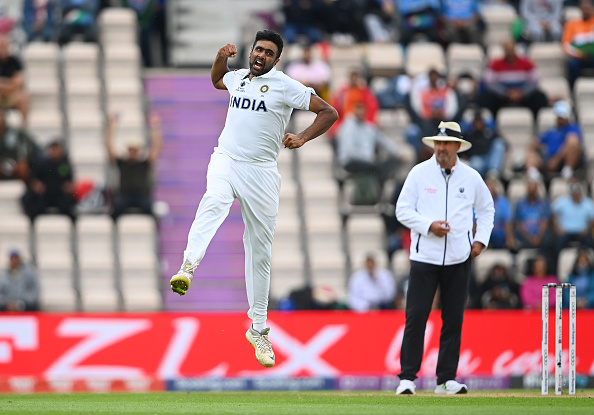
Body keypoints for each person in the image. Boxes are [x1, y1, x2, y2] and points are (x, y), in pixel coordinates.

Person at [169, 30, 338, 368]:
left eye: (268, 52)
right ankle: (188, 267)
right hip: (227, 159)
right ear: (252, 52)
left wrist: (302, 137)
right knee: (214, 200)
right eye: (258, 49)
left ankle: (258, 329)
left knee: (259, 251)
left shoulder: (286, 85)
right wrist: (221, 56)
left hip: (261, 171)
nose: (261, 55)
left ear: (276, 60)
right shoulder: (237, 79)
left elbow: (329, 112)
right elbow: (217, 79)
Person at [395, 121, 494, 395]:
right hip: (424, 257)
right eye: (437, 143)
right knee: (416, 318)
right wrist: (429, 226)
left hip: (459, 259)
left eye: (446, 143)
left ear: (457, 147)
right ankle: (407, 379)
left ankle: (446, 379)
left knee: (453, 320)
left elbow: (487, 210)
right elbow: (402, 211)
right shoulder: (419, 174)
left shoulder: (471, 177)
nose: (440, 148)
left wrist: (480, 241)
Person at [105, 111, 162, 220]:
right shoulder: (122, 162)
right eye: (131, 149)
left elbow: (157, 148)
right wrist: (112, 126)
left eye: (134, 150)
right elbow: (109, 148)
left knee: (152, 214)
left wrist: (155, 128)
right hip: (124, 195)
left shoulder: (144, 163)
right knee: (114, 212)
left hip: (142, 196)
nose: (132, 152)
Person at [477, 38, 548, 119]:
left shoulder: (526, 63)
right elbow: (489, 82)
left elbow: (535, 81)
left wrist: (522, 92)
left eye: (511, 49)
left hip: (523, 95)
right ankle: (493, 124)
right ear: (504, 50)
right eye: (507, 49)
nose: (509, 51)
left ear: (515, 49)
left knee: (539, 97)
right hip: (502, 96)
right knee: (486, 98)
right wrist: (505, 92)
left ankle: (535, 122)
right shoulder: (495, 64)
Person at [335, 101, 400, 188]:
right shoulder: (347, 127)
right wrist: (367, 158)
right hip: (351, 162)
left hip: (367, 162)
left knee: (388, 164)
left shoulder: (368, 128)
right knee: (378, 169)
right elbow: (350, 152)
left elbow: (383, 140)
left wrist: (397, 152)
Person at [526, 100, 584, 181]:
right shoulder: (551, 131)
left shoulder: (573, 128)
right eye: (559, 116)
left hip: (563, 160)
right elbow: (536, 142)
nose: (560, 119)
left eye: (562, 116)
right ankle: (534, 177)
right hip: (549, 159)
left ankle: (567, 170)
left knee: (573, 142)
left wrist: (556, 160)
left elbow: (573, 143)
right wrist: (534, 146)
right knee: (531, 154)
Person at [21, 140, 76, 222]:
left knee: (69, 206)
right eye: (53, 150)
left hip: (60, 195)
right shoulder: (42, 164)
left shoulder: (65, 165)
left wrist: (69, 187)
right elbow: (34, 180)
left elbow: (69, 181)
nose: (55, 152)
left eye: (57, 149)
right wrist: (36, 185)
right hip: (44, 195)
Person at [329, 69, 379, 139]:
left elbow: (371, 108)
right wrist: (336, 126)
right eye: (352, 79)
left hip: (361, 122)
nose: (354, 81)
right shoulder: (341, 93)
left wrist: (370, 123)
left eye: (356, 79)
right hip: (344, 122)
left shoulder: (365, 93)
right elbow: (334, 109)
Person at [459, 110, 506, 178]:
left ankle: (493, 174)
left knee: (499, 143)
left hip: (489, 160)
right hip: (476, 160)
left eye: (480, 121)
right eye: (476, 121)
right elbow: (462, 151)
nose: (478, 124)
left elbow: (505, 143)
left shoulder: (489, 133)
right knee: (476, 162)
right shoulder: (468, 135)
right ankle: (477, 178)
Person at [551, 180, 594, 256]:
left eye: (578, 193)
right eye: (574, 193)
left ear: (581, 193)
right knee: (557, 243)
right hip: (565, 233)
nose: (576, 195)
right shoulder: (562, 202)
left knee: (590, 243)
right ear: (571, 193)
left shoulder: (588, 203)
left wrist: (587, 230)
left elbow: (592, 220)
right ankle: (557, 264)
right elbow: (552, 214)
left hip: (582, 233)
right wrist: (557, 228)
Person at [512, 177, 551, 251]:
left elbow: (544, 223)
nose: (532, 191)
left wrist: (538, 238)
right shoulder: (520, 204)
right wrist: (530, 238)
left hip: (540, 236)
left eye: (534, 189)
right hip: (525, 236)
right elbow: (519, 225)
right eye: (530, 189)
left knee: (547, 239)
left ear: (537, 189)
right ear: (527, 189)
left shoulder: (544, 204)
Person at [562, 0, 594, 90]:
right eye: (584, 8)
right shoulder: (572, 24)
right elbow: (566, 45)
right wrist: (580, 54)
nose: (586, 11)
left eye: (588, 8)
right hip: (579, 58)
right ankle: (573, 90)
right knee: (571, 63)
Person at [0, 109, 39, 182]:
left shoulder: (14, 132)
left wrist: (23, 159)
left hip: (15, 162)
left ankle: (29, 189)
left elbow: (28, 145)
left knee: (23, 168)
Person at [0, 34, 29, 125]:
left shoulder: (15, 61)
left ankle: (23, 129)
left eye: (4, 45)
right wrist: (11, 83)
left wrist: (6, 86)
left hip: (11, 95)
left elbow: (20, 80)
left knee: (24, 98)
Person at [486, 176, 514, 250]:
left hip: (500, 238)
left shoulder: (503, 202)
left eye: (491, 186)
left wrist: (509, 241)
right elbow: (475, 223)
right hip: (485, 236)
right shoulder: (479, 203)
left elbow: (507, 223)